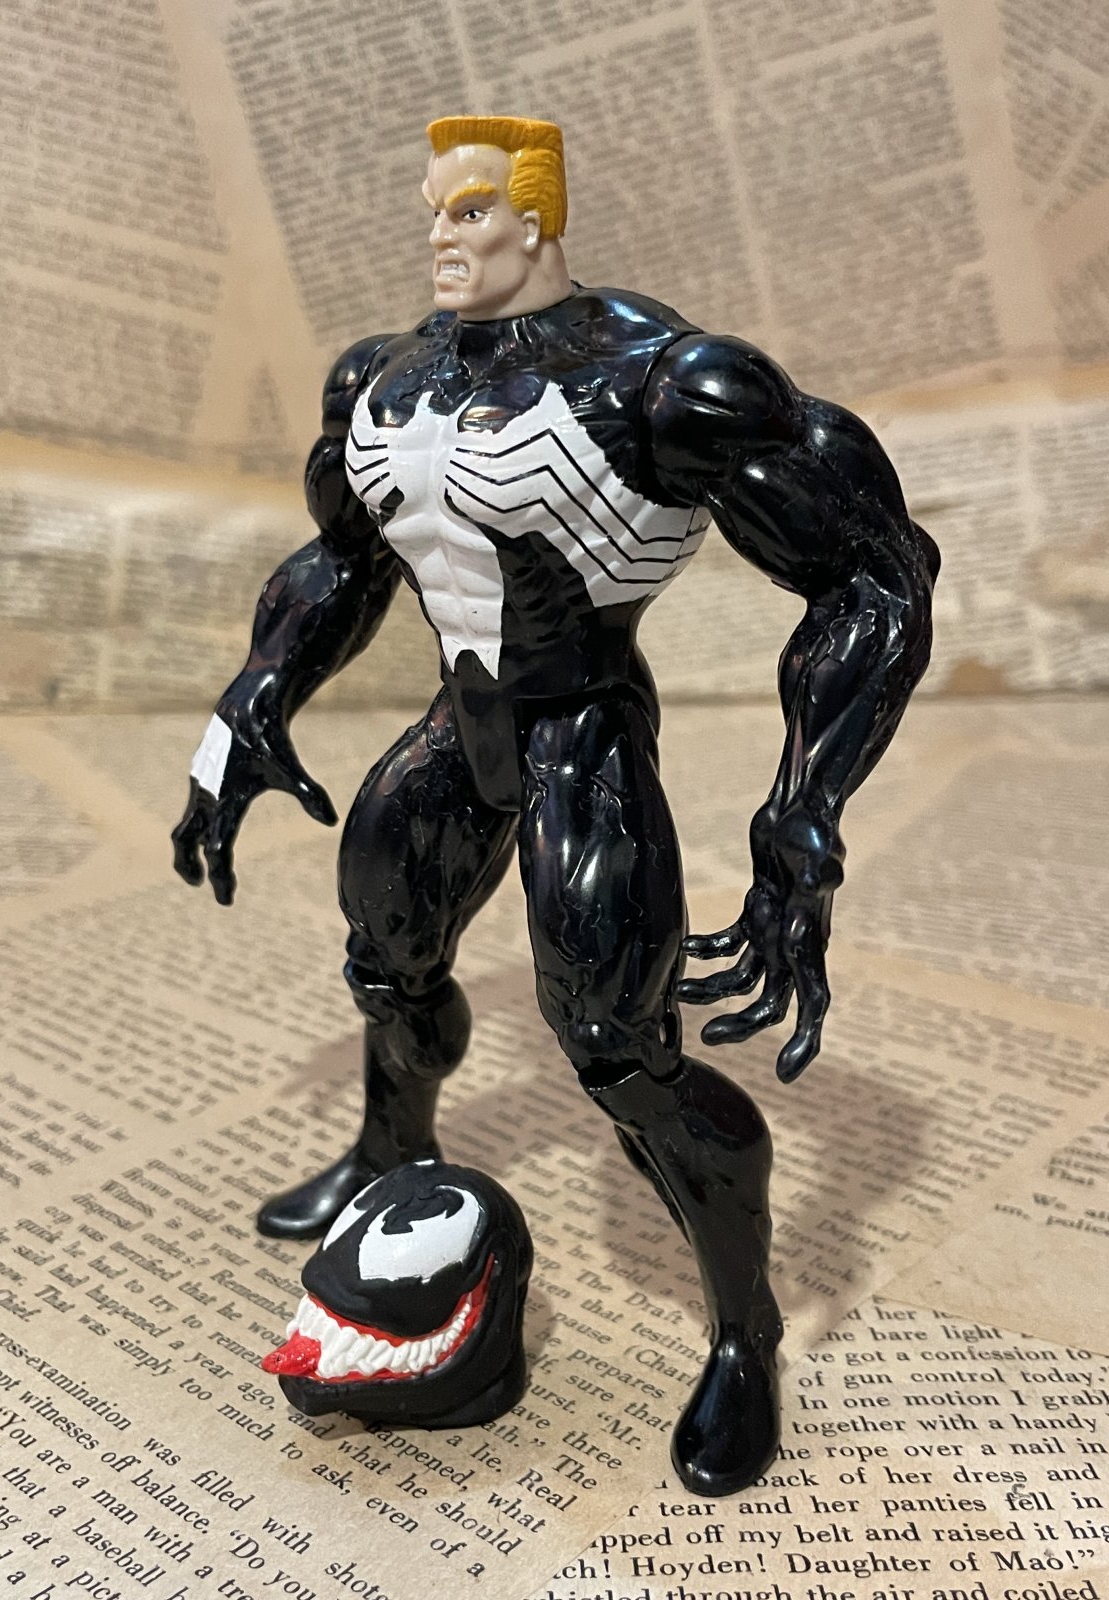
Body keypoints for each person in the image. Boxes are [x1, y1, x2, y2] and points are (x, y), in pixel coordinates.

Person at [172, 115, 938, 1496]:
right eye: (432, 211)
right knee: (385, 957)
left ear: (535, 219)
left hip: (584, 728)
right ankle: (388, 1151)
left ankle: (746, 1332)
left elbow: (875, 576)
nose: (441, 236)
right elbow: (340, 559)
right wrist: (252, 703)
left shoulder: (665, 382)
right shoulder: (385, 376)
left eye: (468, 212)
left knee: (619, 1049)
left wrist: (804, 805)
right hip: (455, 725)